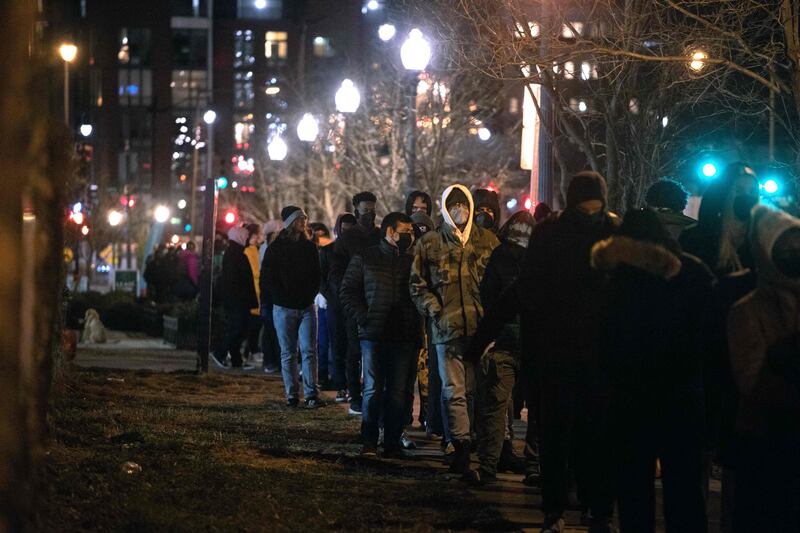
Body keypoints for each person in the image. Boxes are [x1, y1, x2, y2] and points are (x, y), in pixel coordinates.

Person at [593, 208, 713, 533]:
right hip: (681, 400)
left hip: (628, 401)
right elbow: (709, 339)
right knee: (685, 493)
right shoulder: (693, 273)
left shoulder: (611, 276)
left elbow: (600, 341)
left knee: (634, 495)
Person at [679, 163, 760, 530]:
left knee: (741, 468)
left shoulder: (761, 247)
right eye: (741, 189)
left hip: (744, 373)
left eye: (753, 189)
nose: (749, 197)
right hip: (701, 370)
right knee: (696, 460)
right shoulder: (698, 243)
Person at [410, 184, 500, 474]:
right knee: (453, 391)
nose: (459, 211)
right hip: (446, 329)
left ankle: (471, 440)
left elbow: (500, 283)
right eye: (453, 206)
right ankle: (459, 444)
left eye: (463, 206)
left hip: (480, 330)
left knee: (475, 390)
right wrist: (435, 311)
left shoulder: (487, 241)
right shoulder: (431, 243)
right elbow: (417, 284)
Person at [728, 205, 800, 533]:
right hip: (767, 439)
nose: (793, 255)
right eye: (783, 249)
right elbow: (750, 379)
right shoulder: (748, 310)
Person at [340, 212, 422, 457]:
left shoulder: (411, 261)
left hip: (403, 336)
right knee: (373, 390)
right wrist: (364, 316)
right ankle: (369, 441)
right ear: (389, 231)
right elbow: (347, 291)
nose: (409, 236)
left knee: (398, 393)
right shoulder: (366, 257)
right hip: (374, 333)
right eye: (405, 231)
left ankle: (392, 442)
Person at [464, 210, 535, 486]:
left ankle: (488, 466)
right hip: (532, 345)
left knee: (495, 407)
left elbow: (490, 300)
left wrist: (481, 342)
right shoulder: (540, 261)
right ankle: (534, 467)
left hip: (503, 343)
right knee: (538, 412)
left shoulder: (499, 256)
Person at [261, 206, 323, 408]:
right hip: (284, 306)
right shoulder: (276, 248)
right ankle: (292, 394)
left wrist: (309, 295)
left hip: (305, 305)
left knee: (309, 350)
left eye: (305, 218)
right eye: (300, 218)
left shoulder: (309, 247)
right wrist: (280, 296)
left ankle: (311, 394)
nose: (304, 221)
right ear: (290, 222)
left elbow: (316, 275)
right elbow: (268, 277)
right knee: (288, 352)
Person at [331, 192, 381, 415]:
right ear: (356, 210)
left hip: (377, 300)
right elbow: (337, 274)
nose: (369, 213)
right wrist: (347, 298)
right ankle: (355, 396)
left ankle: (372, 394)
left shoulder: (380, 235)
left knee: (375, 352)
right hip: (354, 302)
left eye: (372, 209)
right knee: (353, 350)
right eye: (365, 209)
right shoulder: (347, 239)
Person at [321, 213, 357, 401]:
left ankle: (351, 386)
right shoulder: (328, 251)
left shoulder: (358, 251)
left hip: (352, 306)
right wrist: (330, 295)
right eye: (344, 230)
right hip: (335, 304)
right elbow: (322, 278)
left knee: (353, 348)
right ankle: (341, 385)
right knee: (337, 346)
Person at [211, 226, 257, 370]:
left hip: (236, 299)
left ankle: (236, 359)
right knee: (238, 327)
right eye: (245, 236)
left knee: (240, 327)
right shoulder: (235, 255)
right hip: (237, 299)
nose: (247, 239)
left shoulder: (234, 253)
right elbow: (237, 280)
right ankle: (220, 352)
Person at [243, 223, 263, 363]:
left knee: (255, 323)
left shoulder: (255, 250)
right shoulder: (248, 251)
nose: (258, 238)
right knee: (253, 324)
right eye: (256, 235)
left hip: (257, 291)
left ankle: (250, 350)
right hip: (254, 292)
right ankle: (252, 350)